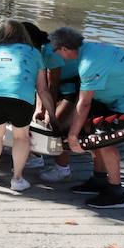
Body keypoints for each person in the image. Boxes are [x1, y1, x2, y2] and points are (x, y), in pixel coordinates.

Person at [48, 27, 124, 210]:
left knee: (104, 139)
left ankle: (116, 192)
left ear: (64, 48)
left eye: (57, 52)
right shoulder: (91, 48)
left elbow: (84, 103)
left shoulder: (88, 64)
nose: (59, 57)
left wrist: (72, 135)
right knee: (93, 132)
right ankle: (99, 180)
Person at [0, 19, 55, 193]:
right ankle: (17, 179)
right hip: (20, 94)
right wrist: (53, 116)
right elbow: (43, 89)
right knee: (21, 137)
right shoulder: (35, 52)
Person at [36, 25, 84, 183]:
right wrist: (39, 109)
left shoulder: (50, 52)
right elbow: (40, 86)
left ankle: (63, 169)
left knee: (59, 128)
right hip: (59, 88)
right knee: (38, 120)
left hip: (72, 90)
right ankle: (36, 155)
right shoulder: (36, 52)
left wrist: (50, 112)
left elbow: (52, 86)